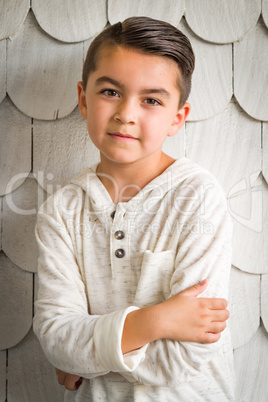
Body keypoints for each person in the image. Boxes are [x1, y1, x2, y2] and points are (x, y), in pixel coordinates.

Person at [33, 16, 235, 401]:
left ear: (177, 118)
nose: (127, 113)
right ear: (83, 99)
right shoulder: (61, 211)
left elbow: (183, 356)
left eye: (151, 100)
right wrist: (156, 320)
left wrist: (86, 354)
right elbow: (57, 339)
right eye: (110, 92)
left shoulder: (197, 196)